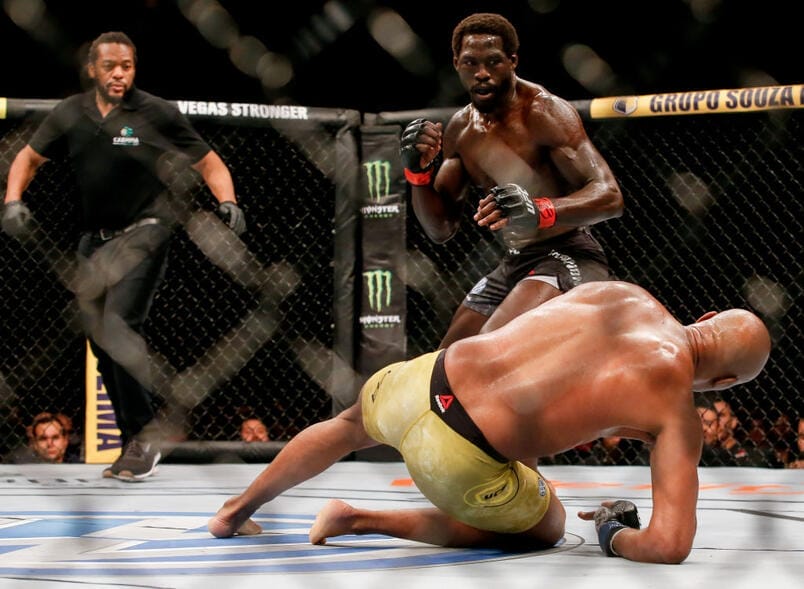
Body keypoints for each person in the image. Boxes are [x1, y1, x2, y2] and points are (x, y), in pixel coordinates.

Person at [207, 281, 771, 564]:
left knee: (348, 424)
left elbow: (550, 357)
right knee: (547, 526)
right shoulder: (676, 410)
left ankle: (235, 510)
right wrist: (612, 530)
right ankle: (357, 519)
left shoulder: (623, 293)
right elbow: (669, 545)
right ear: (724, 383)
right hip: (459, 455)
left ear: (706, 317)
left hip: (422, 377)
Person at [2, 31, 246, 481]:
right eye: (110, 66)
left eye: (127, 66)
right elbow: (28, 158)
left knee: (117, 325)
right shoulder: (71, 111)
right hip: (93, 242)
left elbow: (208, 161)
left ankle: (146, 437)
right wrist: (13, 199)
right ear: (92, 69)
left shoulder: (155, 111)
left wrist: (227, 200)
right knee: (99, 340)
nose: (119, 74)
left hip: (145, 231)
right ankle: (135, 439)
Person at [401, 13, 623, 347]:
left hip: (569, 253)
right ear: (456, 64)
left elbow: (610, 197)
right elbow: (440, 229)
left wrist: (539, 210)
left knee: (486, 348)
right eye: (470, 63)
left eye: (493, 61)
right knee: (446, 356)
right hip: (516, 260)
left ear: (512, 61)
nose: (482, 73)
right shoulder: (461, 129)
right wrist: (417, 175)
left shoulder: (544, 112)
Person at [5, 412, 80, 464]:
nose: (50, 444)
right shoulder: (21, 467)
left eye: (55, 438)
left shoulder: (79, 466)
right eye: (43, 439)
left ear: (65, 440)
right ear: (35, 444)